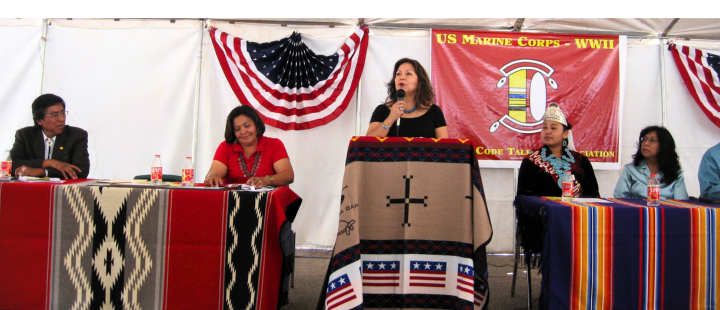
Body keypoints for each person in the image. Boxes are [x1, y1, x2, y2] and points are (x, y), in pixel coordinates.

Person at [517, 103, 599, 198]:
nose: (548, 131)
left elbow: (593, 195)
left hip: (576, 212)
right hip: (544, 212)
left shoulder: (581, 160)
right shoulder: (531, 161)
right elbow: (524, 200)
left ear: (565, 133)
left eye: (553, 128)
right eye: (544, 127)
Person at [204, 105, 294, 188]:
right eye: (237, 129)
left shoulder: (274, 144)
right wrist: (212, 176)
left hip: (267, 201)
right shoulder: (225, 147)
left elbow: (288, 175)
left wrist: (266, 180)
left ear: (256, 124)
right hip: (232, 201)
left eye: (247, 126)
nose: (243, 131)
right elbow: (214, 172)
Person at [11, 94, 89, 179]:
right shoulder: (25, 135)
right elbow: (12, 165)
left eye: (62, 113)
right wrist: (50, 163)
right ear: (39, 121)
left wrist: (42, 172)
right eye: (54, 115)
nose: (61, 119)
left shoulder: (76, 135)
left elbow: (81, 171)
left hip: (60, 190)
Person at [366, 58, 448, 138]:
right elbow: (367, 144)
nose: (402, 77)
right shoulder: (382, 111)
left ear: (420, 81)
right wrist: (390, 119)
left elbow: (444, 148)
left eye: (408, 74)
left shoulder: (434, 112)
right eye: (398, 74)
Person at [613, 126, 688, 200]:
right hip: (637, 211)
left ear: (663, 145)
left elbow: (681, 203)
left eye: (652, 140)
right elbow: (620, 198)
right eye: (644, 139)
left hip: (666, 211)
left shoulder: (675, 173)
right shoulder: (630, 170)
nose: (646, 143)